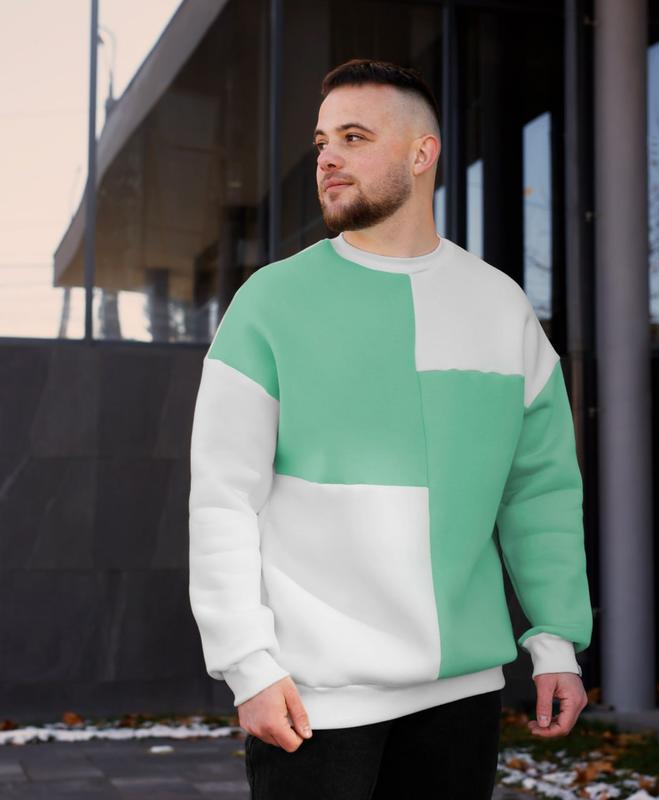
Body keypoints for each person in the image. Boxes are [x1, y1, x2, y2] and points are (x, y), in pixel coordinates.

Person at [188, 57, 593, 800]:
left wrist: (556, 639)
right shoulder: (270, 303)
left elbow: (538, 490)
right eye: (321, 142)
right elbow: (223, 499)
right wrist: (247, 662)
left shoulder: (500, 306)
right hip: (313, 698)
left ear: (421, 152)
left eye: (354, 137)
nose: (327, 157)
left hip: (462, 695)